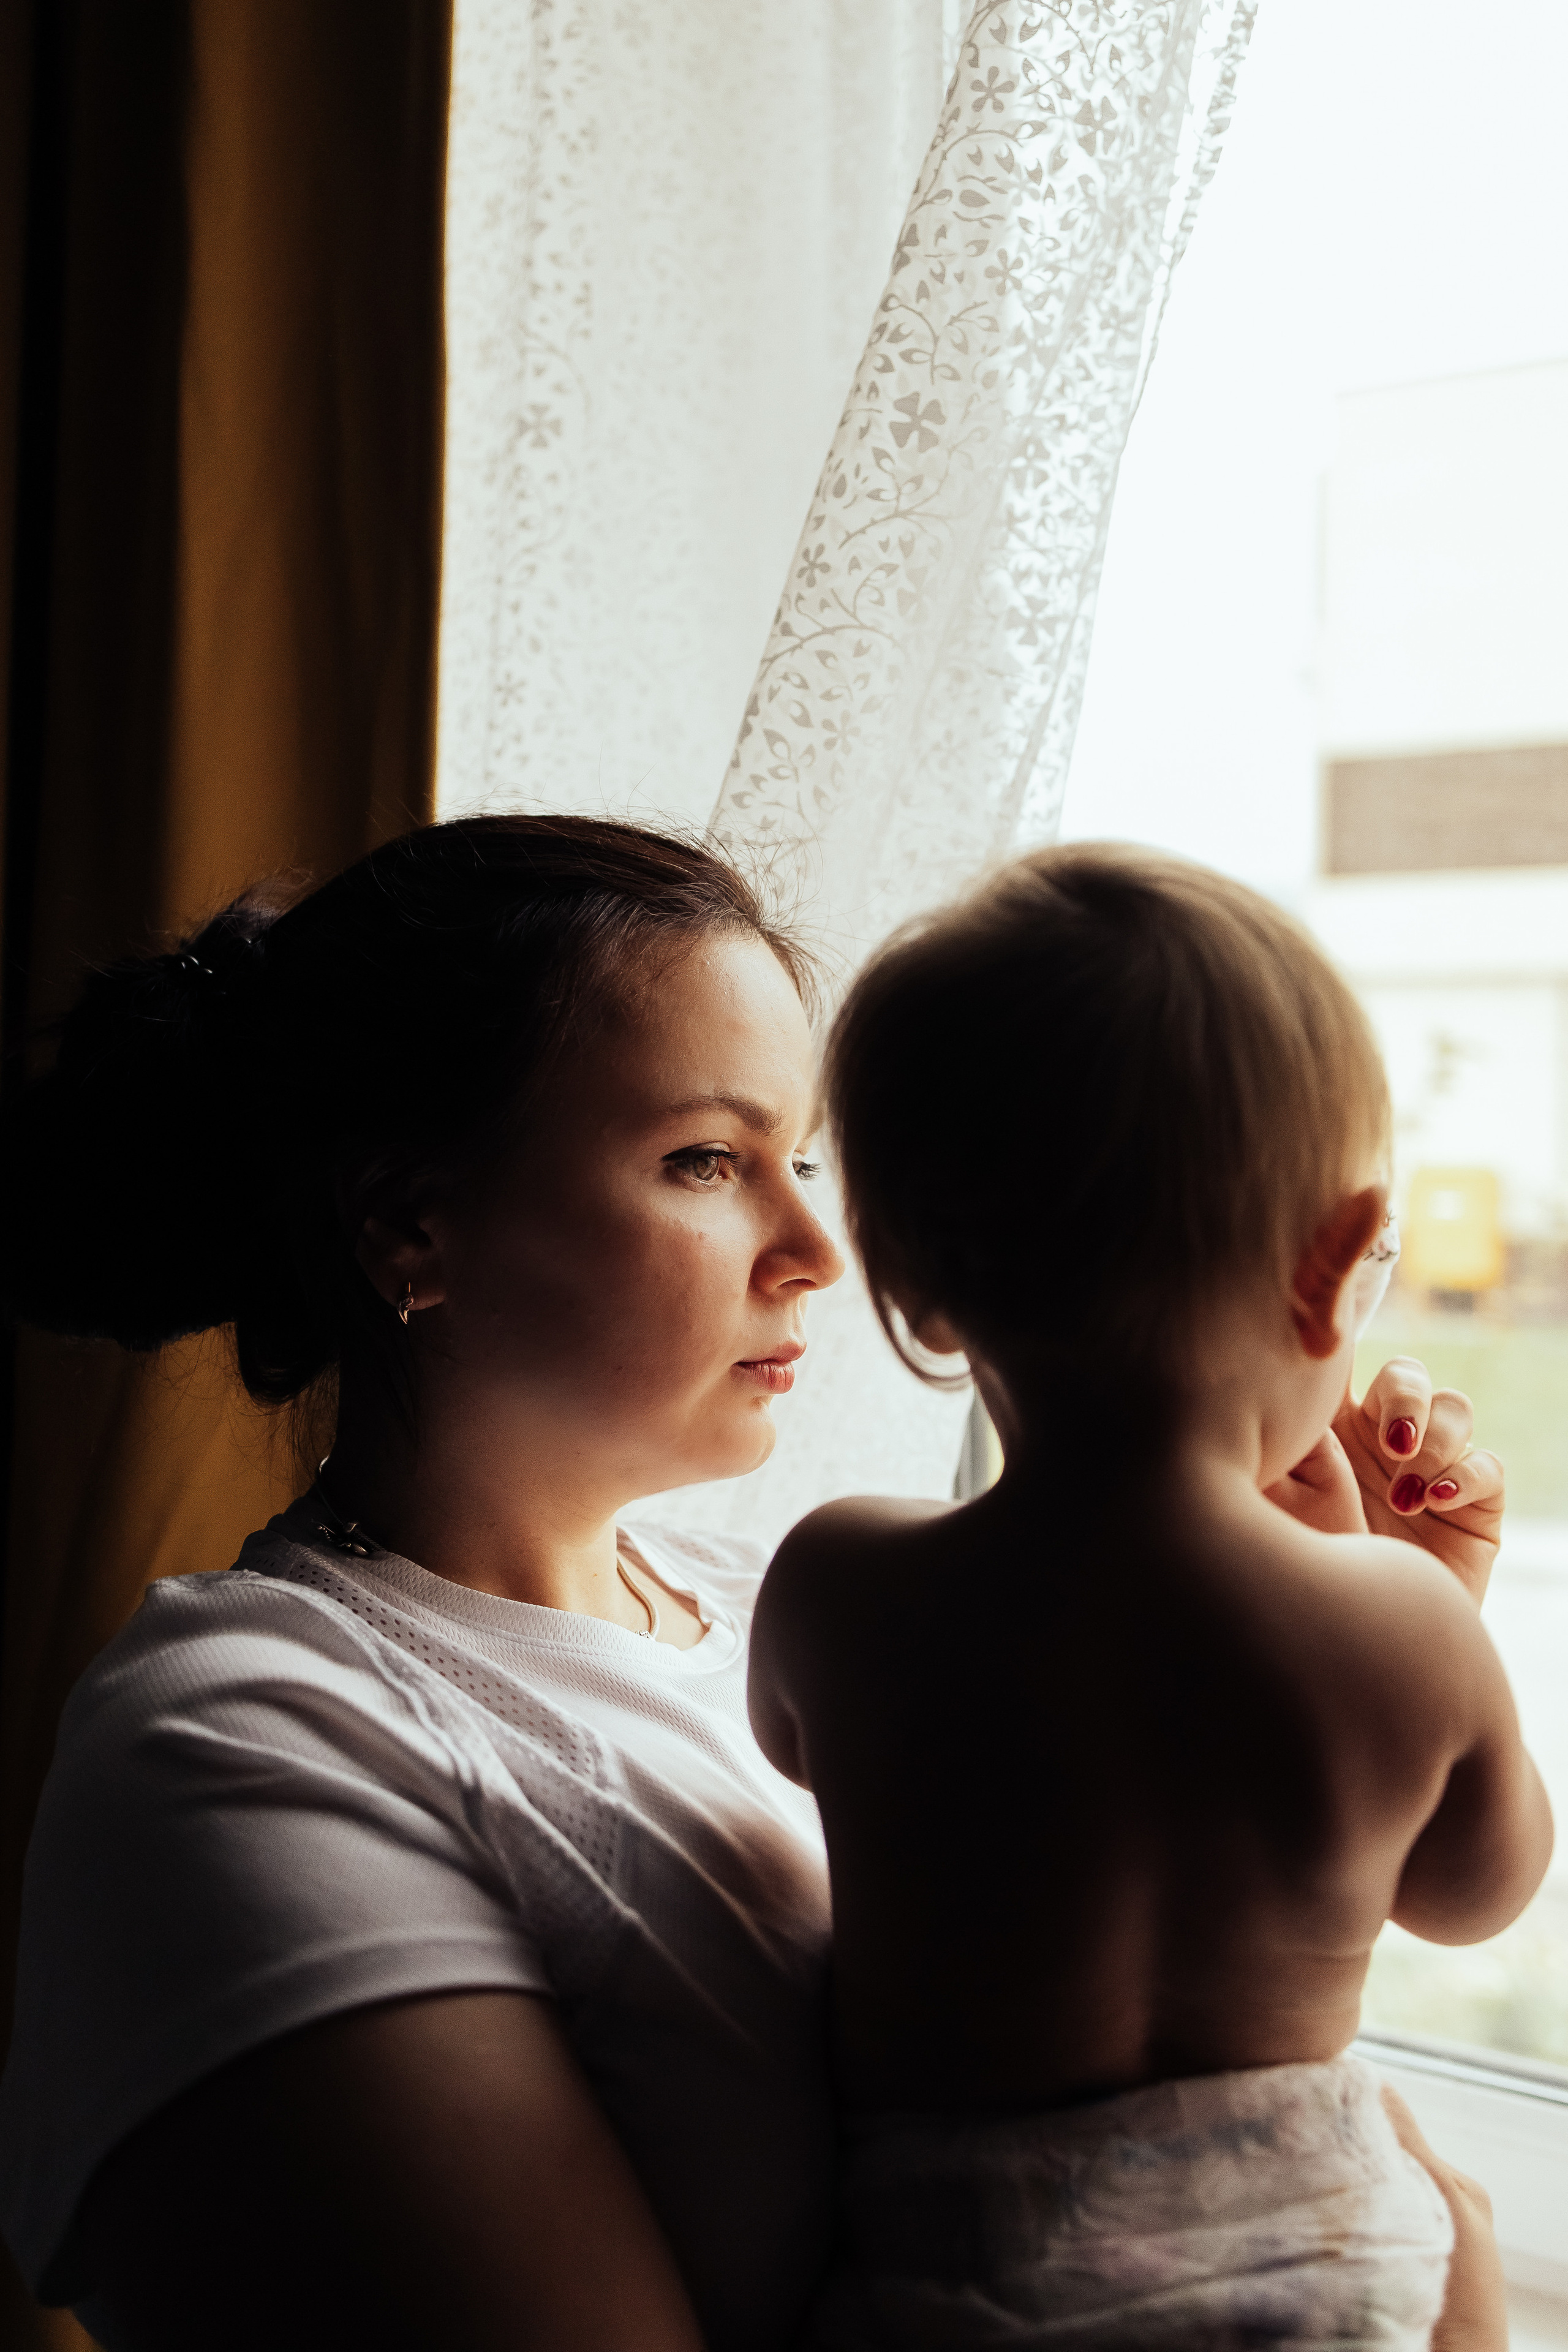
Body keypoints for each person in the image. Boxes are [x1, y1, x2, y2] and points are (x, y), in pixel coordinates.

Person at [0, 816, 1515, 2352]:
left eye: (801, 1160)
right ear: (412, 1223)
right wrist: (1446, 2261)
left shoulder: (806, 1608)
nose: (810, 1248)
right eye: (705, 1160)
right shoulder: (247, 1747)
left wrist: (1293, 1635)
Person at [748, 844, 1549, 2350]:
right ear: (1326, 1272)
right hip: (1316, 2293)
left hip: (947, 2296)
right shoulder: (1398, 1632)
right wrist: (1415, 1593)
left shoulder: (840, 1589)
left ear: (910, 1283)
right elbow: (1470, 1893)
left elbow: (800, 1748)